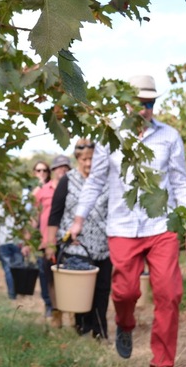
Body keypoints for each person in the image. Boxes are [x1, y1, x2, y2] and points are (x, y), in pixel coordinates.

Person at [69, 75, 186, 367]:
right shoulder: (111, 137)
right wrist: (78, 218)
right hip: (123, 228)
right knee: (125, 291)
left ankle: (163, 362)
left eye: (150, 103)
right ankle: (125, 324)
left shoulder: (169, 136)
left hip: (161, 227)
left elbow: (180, 184)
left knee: (169, 294)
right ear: (127, 104)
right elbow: (95, 182)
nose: (145, 109)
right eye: (140, 103)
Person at [46, 138, 111, 340]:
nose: (88, 163)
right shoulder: (68, 180)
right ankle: (83, 329)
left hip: (103, 246)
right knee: (82, 293)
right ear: (77, 159)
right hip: (76, 247)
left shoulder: (107, 180)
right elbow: (54, 215)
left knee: (102, 291)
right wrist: (50, 245)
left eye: (91, 158)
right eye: (83, 159)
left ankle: (100, 333)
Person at [26, 154, 71, 326]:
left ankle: (73, 311)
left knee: (69, 277)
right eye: (59, 167)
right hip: (47, 240)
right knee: (50, 278)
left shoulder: (73, 189)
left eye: (66, 168)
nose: (63, 170)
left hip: (68, 241)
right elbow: (34, 217)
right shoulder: (42, 192)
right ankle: (55, 311)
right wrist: (28, 239)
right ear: (53, 171)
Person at [0, 202, 24, 299]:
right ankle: (20, 291)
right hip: (17, 241)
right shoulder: (17, 207)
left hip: (3, 242)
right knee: (18, 267)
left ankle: (12, 294)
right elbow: (22, 226)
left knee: (8, 269)